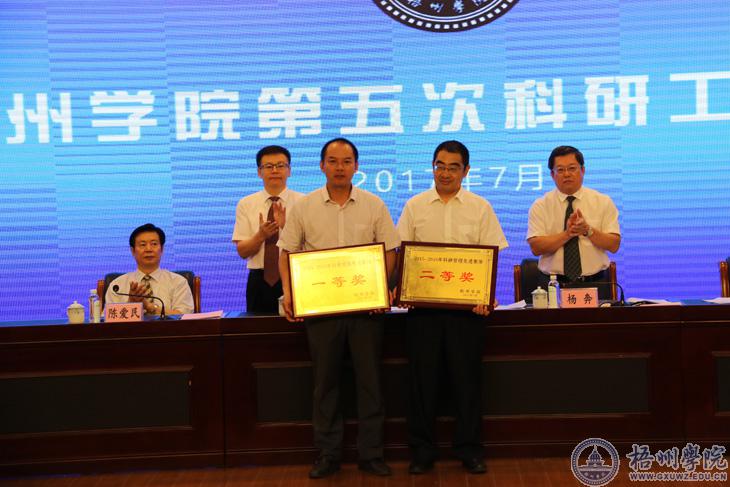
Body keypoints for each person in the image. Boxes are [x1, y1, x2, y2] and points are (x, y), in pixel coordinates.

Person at [278, 138, 400, 479]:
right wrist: (289, 293)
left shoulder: (374, 204)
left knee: (370, 382)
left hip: (366, 311)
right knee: (325, 383)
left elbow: (390, 251)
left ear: (356, 167)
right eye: (333, 161)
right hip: (322, 311)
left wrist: (380, 289)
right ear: (322, 166)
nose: (340, 167)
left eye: (347, 161)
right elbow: (287, 252)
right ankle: (328, 455)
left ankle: (371, 454)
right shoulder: (304, 207)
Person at [396, 140, 508, 475]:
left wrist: (485, 295)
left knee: (467, 382)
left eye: (453, 167)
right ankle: (422, 451)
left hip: (466, 313)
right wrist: (403, 289)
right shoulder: (415, 206)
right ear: (432, 167)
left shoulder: (480, 207)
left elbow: (491, 256)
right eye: (440, 166)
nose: (445, 173)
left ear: (466, 171)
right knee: (422, 383)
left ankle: (469, 449)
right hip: (423, 310)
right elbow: (403, 254)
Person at [527, 146, 620, 296]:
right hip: (553, 286)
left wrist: (587, 230)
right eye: (560, 170)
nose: (567, 174)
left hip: (595, 284)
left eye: (572, 168)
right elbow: (536, 247)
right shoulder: (540, 205)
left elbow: (614, 245)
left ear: (583, 170)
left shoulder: (603, 202)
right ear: (552, 174)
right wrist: (568, 234)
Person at [232, 145, 303, 313]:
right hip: (259, 280)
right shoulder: (246, 204)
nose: (275, 170)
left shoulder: (304, 202)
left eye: (280, 165)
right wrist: (261, 235)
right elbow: (242, 252)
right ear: (259, 172)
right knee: (258, 327)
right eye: (269, 166)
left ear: (289, 170)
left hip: (295, 276)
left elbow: (309, 249)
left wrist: (285, 228)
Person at [106, 223, 194, 315]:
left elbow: (185, 316)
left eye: (154, 244)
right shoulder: (117, 286)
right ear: (133, 251)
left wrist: (150, 307)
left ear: (162, 249)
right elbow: (107, 318)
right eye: (143, 245)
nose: (148, 249)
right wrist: (131, 305)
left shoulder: (178, 282)